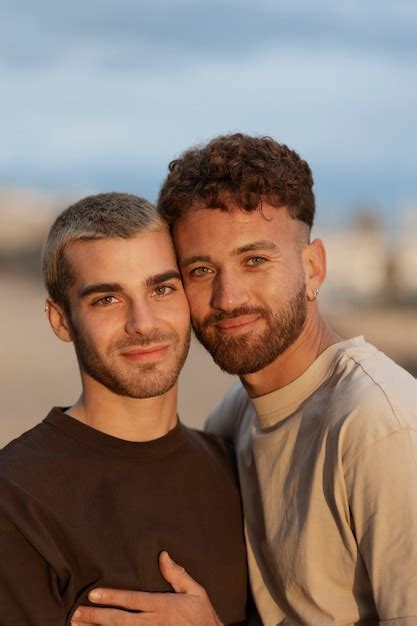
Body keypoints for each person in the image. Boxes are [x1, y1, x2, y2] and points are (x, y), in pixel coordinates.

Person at [75, 135, 417, 625]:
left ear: (313, 268)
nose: (228, 297)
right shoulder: (235, 415)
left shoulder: (378, 423)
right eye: (200, 270)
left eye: (255, 260)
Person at [0, 192, 249, 625]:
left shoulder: (237, 469)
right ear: (61, 320)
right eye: (107, 299)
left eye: (162, 289)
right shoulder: (16, 498)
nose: (144, 323)